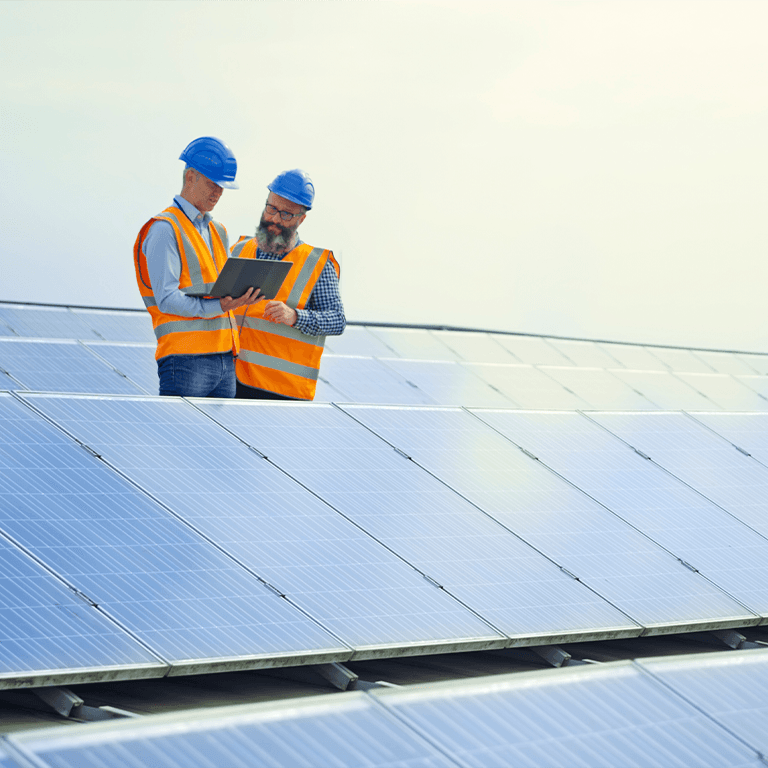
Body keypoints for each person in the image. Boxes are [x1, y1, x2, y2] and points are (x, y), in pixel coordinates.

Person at [133, 136, 261, 397]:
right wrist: (218, 306)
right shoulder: (164, 229)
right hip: (185, 360)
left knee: (218, 439)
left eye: (223, 187)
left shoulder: (218, 231)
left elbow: (216, 288)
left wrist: (239, 296)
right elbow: (167, 299)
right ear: (190, 176)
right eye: (212, 183)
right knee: (181, 438)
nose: (218, 192)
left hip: (225, 358)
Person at [231, 169, 345, 400]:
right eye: (271, 208)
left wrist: (295, 317)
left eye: (285, 214)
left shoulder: (317, 265)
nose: (274, 219)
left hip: (282, 393)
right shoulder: (239, 249)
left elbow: (337, 320)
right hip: (231, 380)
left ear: (301, 219)